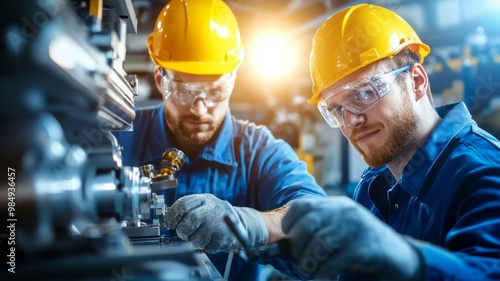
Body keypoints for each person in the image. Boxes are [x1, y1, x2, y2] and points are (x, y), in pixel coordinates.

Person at [282, 3, 500, 281]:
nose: (350, 122)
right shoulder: (373, 187)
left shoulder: (484, 174)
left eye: (363, 93)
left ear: (417, 82)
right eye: (337, 110)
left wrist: (409, 260)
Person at [112, 0, 326, 280]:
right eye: (184, 91)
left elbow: (319, 218)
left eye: (214, 91)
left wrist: (251, 224)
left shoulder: (258, 152)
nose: (199, 109)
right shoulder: (119, 134)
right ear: (159, 77)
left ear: (233, 81)